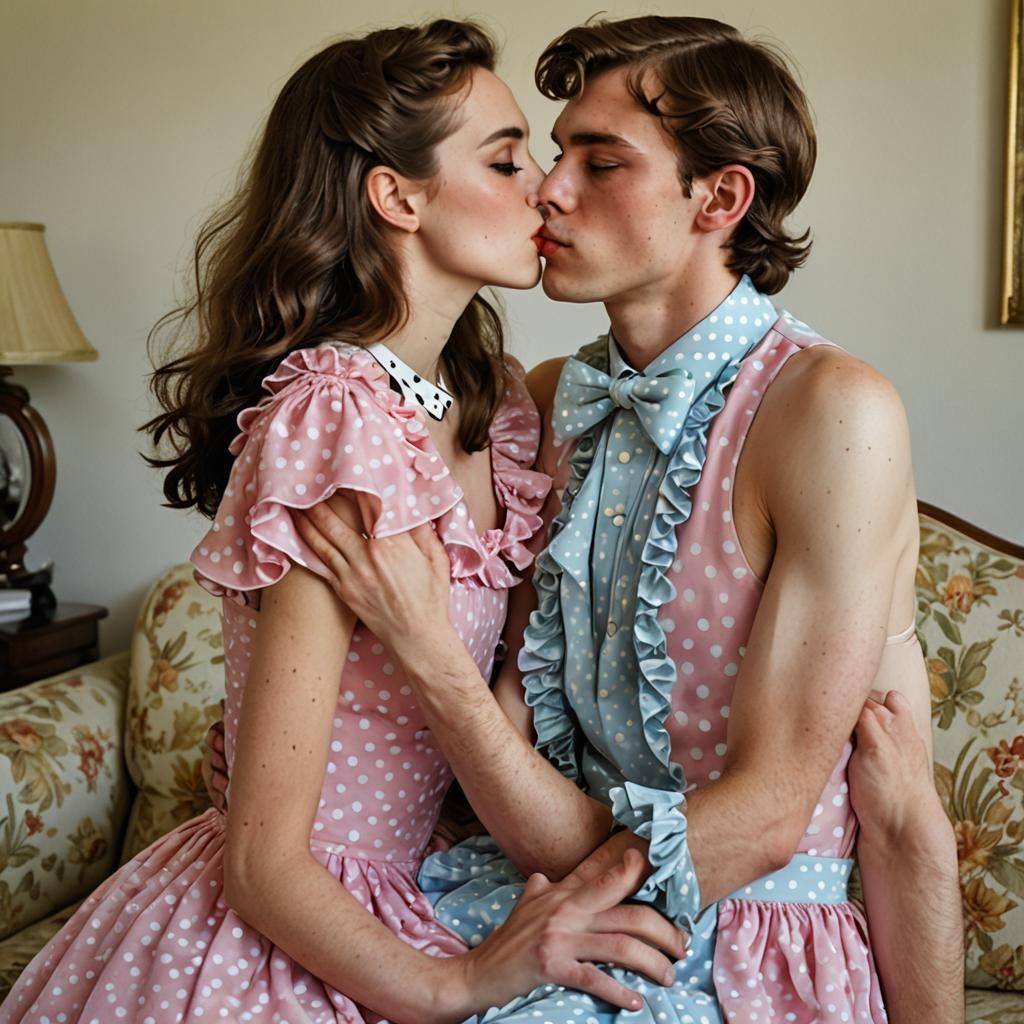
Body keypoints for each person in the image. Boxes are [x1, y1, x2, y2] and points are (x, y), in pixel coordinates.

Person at [0, 20, 690, 1024]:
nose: (545, 185)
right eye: (506, 158)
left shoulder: (497, 406)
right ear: (397, 195)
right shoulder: (333, 417)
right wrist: (457, 983)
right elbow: (266, 861)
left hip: (426, 883)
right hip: (288, 930)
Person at [279, 15, 964, 1024]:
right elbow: (491, 692)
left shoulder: (829, 410)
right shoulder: (546, 402)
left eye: (601, 162)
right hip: (541, 888)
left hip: (735, 935)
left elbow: (789, 817)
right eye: (555, 155)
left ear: (720, 197)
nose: (549, 190)